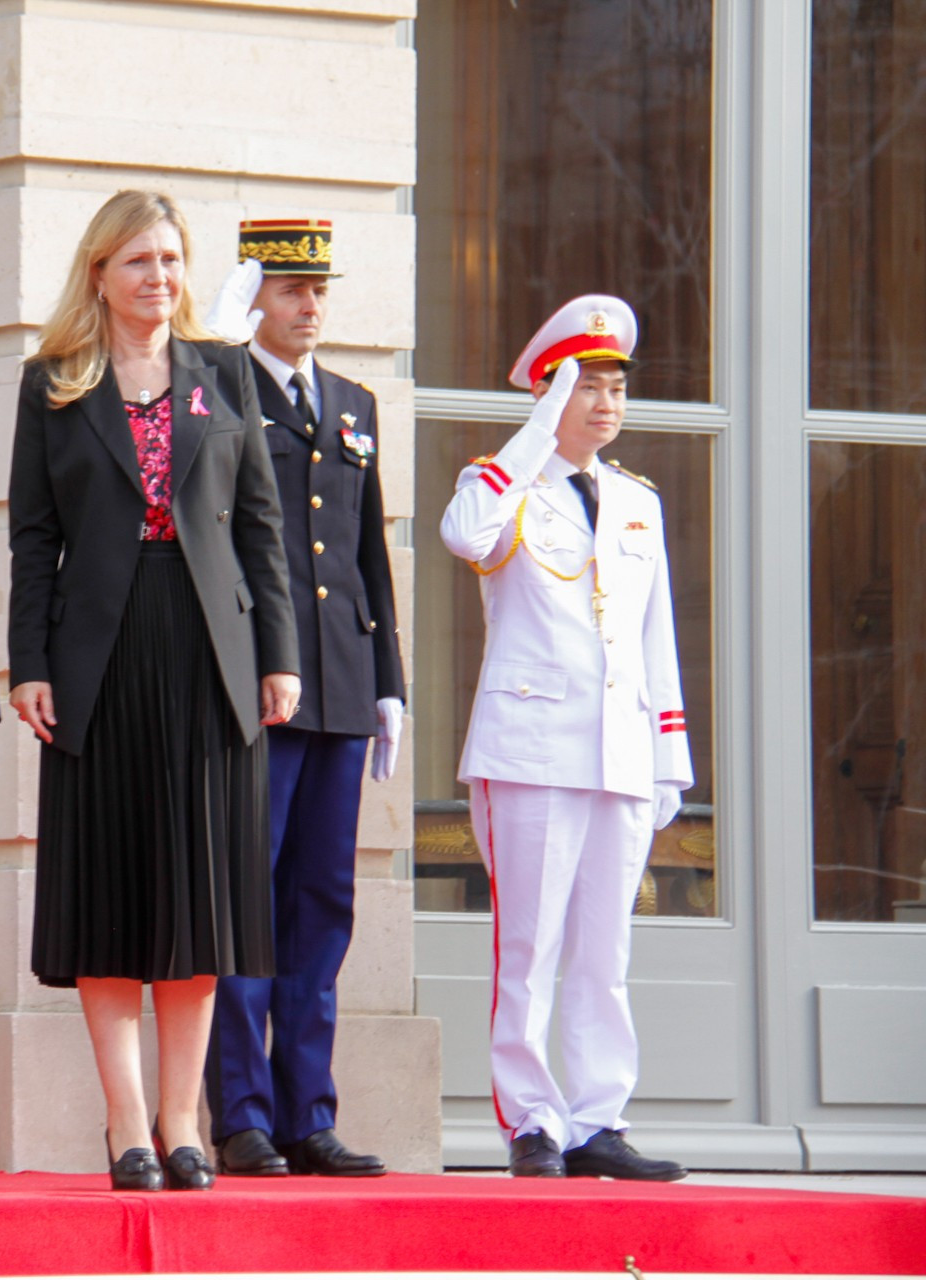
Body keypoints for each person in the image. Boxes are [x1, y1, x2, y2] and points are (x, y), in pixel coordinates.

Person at [7, 190, 300, 1193]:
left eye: (172, 260)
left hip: (210, 652)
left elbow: (260, 524)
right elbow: (32, 536)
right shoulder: (52, 382)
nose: (160, 278)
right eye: (138, 261)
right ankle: (126, 1120)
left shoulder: (223, 373)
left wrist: (280, 653)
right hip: (98, 658)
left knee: (201, 896)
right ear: (100, 272)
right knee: (111, 889)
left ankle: (186, 1120)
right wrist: (30, 661)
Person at [438, 295, 690, 1182]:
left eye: (616, 388)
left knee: (603, 954)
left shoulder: (635, 501)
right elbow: (463, 536)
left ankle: (596, 1121)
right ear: (549, 397)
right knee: (530, 949)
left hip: (619, 751)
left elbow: (655, 636)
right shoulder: (501, 486)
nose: (606, 404)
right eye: (586, 386)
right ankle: (532, 1122)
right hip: (532, 750)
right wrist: (533, 435)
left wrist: (670, 757)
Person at [198, 221, 403, 1178]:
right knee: (248, 899)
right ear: (256, 298)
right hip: (258, 688)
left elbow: (369, 558)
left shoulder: (355, 403)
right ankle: (239, 1113)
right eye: (289, 291)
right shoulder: (225, 391)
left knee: (321, 905)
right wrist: (212, 347)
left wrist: (390, 685)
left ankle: (306, 1111)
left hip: (340, 688)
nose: (310, 307)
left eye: (318, 290)